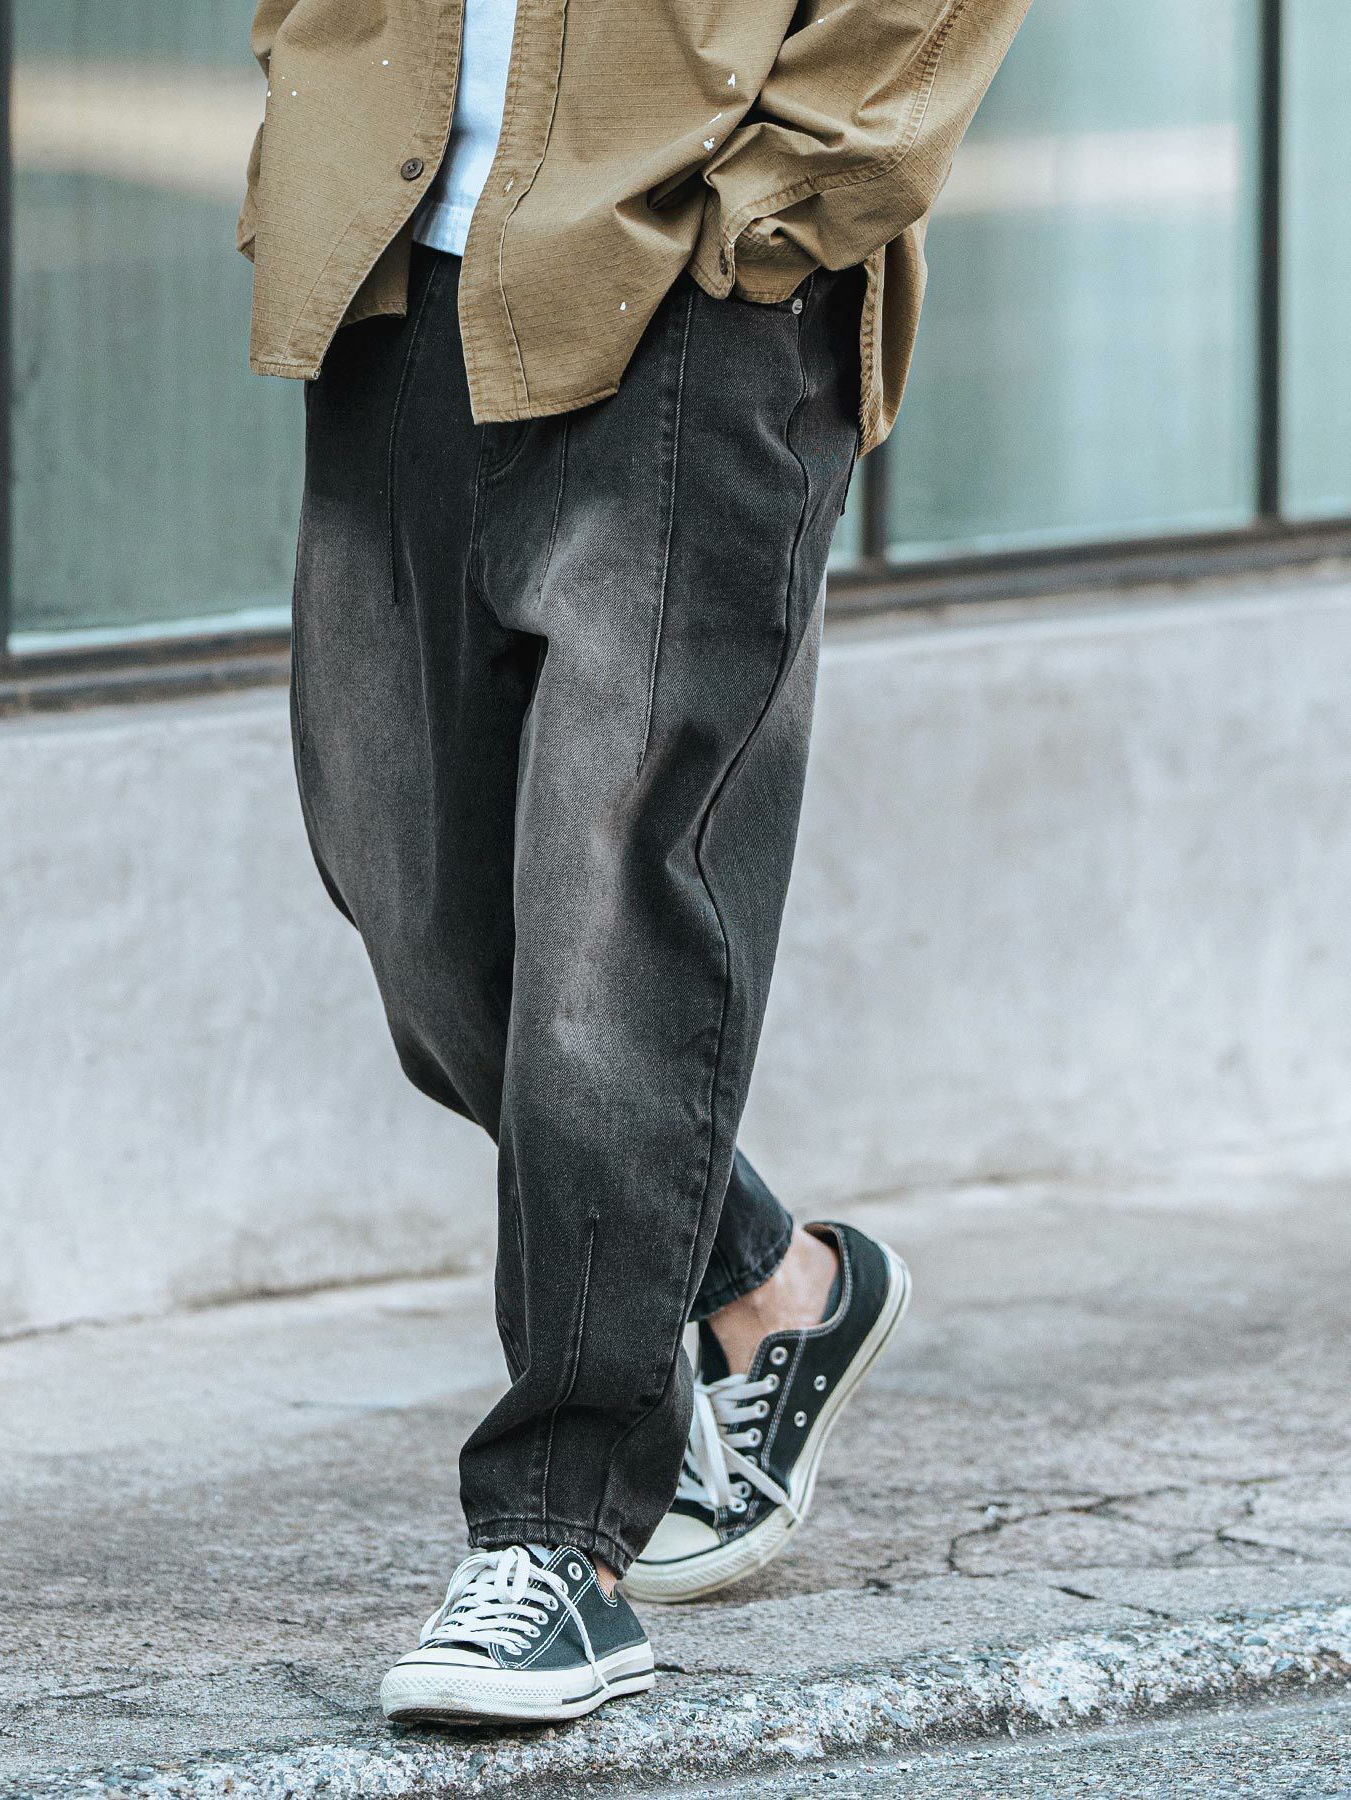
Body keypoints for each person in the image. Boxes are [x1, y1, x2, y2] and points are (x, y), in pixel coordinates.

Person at [239, 0, 1028, 1727]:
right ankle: (765, 1278)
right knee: (416, 908)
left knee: (614, 918)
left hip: (690, 274)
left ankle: (559, 1537)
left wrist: (782, 213)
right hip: (397, 261)